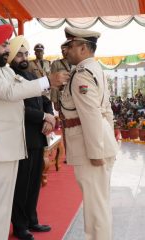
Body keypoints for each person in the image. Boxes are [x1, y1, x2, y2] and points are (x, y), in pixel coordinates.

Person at [0, 25, 69, 240]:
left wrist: (46, 101)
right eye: (4, 45)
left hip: (10, 148)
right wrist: (48, 80)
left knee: (3, 209)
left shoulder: (4, 69)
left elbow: (25, 86)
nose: (8, 49)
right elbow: (10, 92)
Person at [59, 27, 119, 240]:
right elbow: (107, 111)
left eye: (71, 45)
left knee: (96, 207)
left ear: (83, 47)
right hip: (100, 141)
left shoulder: (81, 75)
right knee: (99, 202)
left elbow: (91, 114)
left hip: (90, 147)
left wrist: (96, 152)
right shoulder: (95, 69)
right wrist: (107, 142)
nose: (67, 50)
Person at [8, 35, 54, 240]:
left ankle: (32, 220)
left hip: (38, 136)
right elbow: (18, 109)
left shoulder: (31, 75)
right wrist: (43, 116)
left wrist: (49, 118)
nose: (24, 57)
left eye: (26, 53)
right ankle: (19, 226)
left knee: (34, 182)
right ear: (10, 55)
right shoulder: (8, 77)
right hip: (21, 138)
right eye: (19, 54)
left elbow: (45, 98)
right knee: (21, 184)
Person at [50, 43, 74, 111]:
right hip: (61, 96)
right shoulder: (56, 63)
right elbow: (54, 83)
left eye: (65, 50)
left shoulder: (76, 62)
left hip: (74, 96)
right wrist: (55, 100)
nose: (63, 51)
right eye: (62, 50)